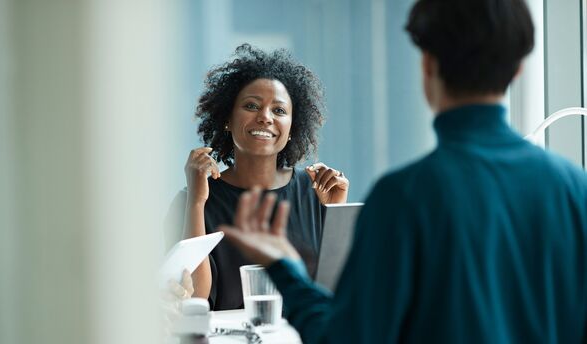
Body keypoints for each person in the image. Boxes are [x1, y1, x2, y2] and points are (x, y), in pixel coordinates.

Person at [219, 0, 587, 343]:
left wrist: (283, 268)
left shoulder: (404, 196)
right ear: (518, 69)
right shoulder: (575, 189)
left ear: (427, 64)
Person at [167, 44, 350, 311]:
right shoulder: (193, 199)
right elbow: (196, 302)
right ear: (227, 119)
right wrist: (196, 202)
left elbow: (338, 296)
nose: (265, 117)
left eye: (279, 110)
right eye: (251, 105)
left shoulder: (316, 192)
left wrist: (336, 213)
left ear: (291, 128)